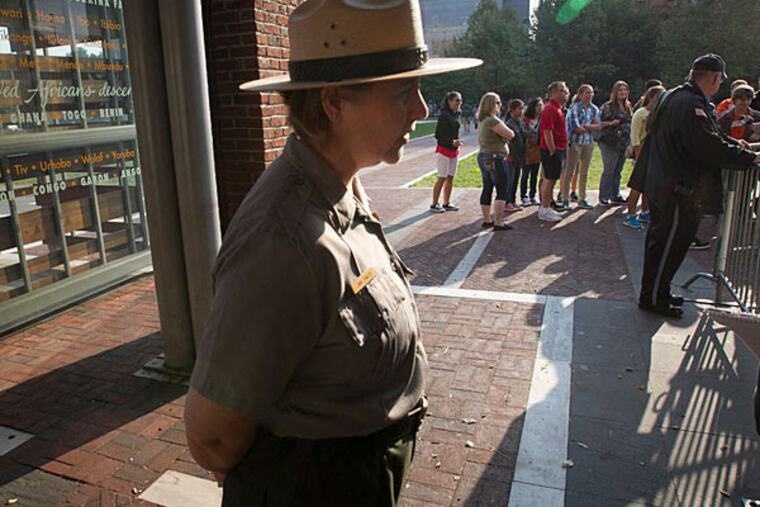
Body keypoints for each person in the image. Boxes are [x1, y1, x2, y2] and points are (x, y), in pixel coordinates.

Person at [183, 1, 482, 505]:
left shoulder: (343, 186)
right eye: (403, 91)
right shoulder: (282, 242)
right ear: (334, 103)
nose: (422, 109)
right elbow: (212, 435)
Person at [639, 54, 760, 318]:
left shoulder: (675, 95)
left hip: (665, 182)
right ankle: (654, 298)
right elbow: (705, 144)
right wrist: (749, 157)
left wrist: (731, 144)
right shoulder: (690, 102)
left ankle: (656, 293)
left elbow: (707, 135)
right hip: (677, 187)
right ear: (715, 78)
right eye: (719, 82)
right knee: (669, 245)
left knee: (662, 244)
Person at [623, 85, 665, 229]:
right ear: (652, 97)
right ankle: (630, 215)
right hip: (642, 151)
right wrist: (638, 153)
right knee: (637, 185)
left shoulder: (657, 113)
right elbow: (634, 135)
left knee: (648, 185)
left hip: (652, 152)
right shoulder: (641, 113)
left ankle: (645, 211)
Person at [559, 84, 602, 210]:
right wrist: (589, 126)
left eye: (591, 92)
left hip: (588, 142)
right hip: (575, 143)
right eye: (587, 92)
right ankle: (565, 199)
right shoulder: (575, 109)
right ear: (581, 94)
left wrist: (587, 126)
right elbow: (576, 127)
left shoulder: (594, 109)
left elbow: (598, 125)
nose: (590, 95)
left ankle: (582, 198)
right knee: (569, 171)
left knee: (584, 172)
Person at [477, 92, 515, 230]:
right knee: (502, 189)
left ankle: (487, 220)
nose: (501, 105)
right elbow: (511, 134)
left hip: (484, 156)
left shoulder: (483, 120)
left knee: (487, 187)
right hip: (495, 158)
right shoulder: (493, 120)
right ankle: (498, 221)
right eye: (498, 103)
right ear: (491, 104)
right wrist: (504, 137)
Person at [538, 81, 570, 222]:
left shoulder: (557, 108)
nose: (566, 92)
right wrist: (552, 149)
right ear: (555, 92)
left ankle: (546, 207)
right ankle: (544, 209)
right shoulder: (550, 108)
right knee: (549, 179)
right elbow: (547, 131)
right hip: (552, 150)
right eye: (563, 90)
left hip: (558, 148)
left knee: (550, 178)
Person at [598, 81, 633, 206]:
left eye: (625, 90)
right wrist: (611, 123)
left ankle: (615, 194)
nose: (623, 92)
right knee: (609, 169)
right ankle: (604, 196)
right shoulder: (608, 106)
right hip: (609, 142)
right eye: (620, 90)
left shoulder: (628, 106)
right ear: (615, 92)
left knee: (618, 170)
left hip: (623, 143)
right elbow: (598, 123)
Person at [431, 91, 464, 213]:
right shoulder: (444, 115)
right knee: (442, 177)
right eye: (457, 100)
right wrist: (451, 142)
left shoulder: (457, 114)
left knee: (450, 177)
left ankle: (446, 202)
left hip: (454, 151)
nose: (459, 103)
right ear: (449, 101)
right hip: (443, 150)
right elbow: (438, 135)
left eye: (460, 100)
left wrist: (456, 142)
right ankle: (434, 204)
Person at [505, 99, 527, 212]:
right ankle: (507, 201)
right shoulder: (509, 124)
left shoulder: (520, 122)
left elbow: (524, 136)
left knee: (515, 179)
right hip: (511, 156)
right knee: (510, 180)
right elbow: (509, 141)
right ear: (512, 110)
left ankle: (512, 200)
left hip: (519, 156)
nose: (521, 111)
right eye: (519, 108)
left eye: (522, 108)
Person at [521, 97, 543, 206]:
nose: (540, 108)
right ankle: (523, 196)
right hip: (527, 149)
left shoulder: (542, 119)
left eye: (541, 106)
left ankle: (533, 195)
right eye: (538, 106)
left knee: (535, 174)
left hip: (538, 149)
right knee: (525, 174)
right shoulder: (525, 119)